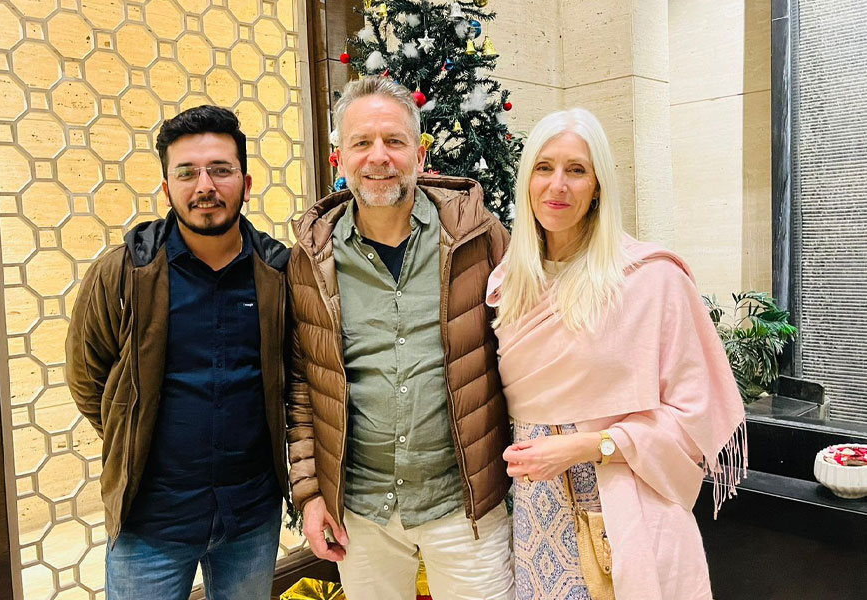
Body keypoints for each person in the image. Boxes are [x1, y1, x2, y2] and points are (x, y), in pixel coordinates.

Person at [486, 109, 746, 600]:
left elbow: (695, 412)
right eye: (544, 168)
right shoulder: (508, 285)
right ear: (527, 181)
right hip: (536, 511)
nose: (558, 185)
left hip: (625, 506)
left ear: (598, 186)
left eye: (576, 170)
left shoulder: (650, 279)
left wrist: (588, 446)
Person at [286, 76, 515, 600]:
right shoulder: (311, 259)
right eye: (361, 143)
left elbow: (525, 352)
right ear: (339, 157)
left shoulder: (478, 237)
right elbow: (303, 386)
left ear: (420, 153)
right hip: (361, 514)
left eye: (394, 140)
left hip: (463, 505)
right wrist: (311, 495)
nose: (378, 157)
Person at [65, 105, 290, 600]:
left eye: (220, 170)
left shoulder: (279, 274)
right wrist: (131, 431)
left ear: (247, 183)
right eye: (187, 173)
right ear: (167, 188)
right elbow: (87, 377)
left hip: (250, 518)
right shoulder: (125, 272)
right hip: (151, 521)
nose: (204, 186)